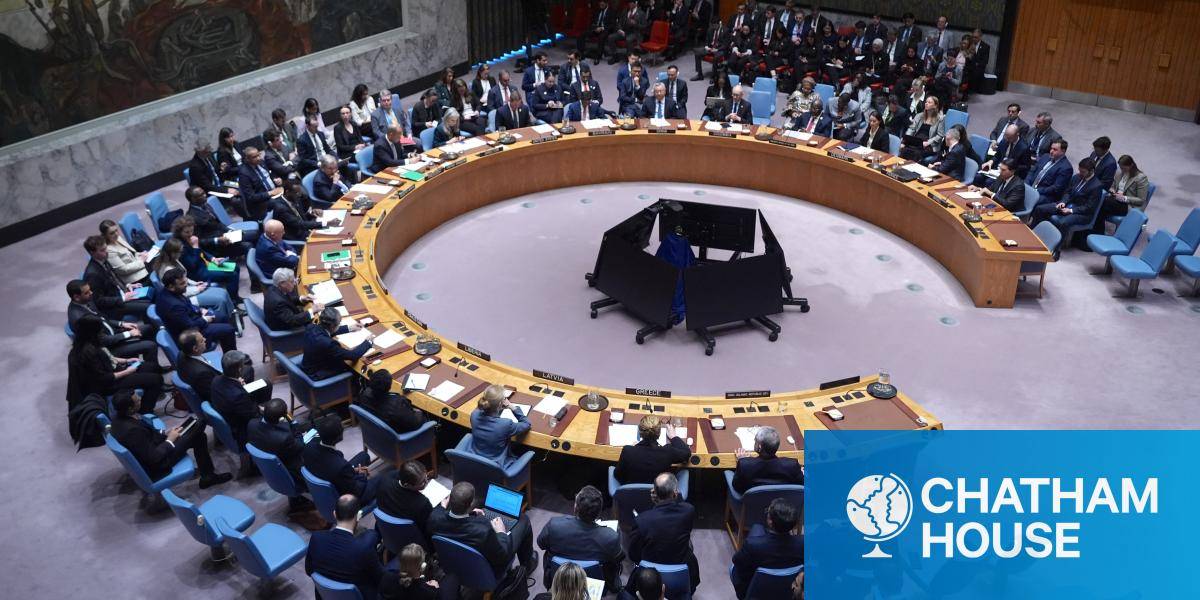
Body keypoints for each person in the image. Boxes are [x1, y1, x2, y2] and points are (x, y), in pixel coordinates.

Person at [109, 389, 231, 487]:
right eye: (137, 400)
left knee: (198, 435)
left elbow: (146, 436)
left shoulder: (119, 418)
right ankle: (208, 476)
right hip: (159, 463)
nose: (140, 399)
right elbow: (154, 457)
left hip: (155, 445)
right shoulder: (132, 431)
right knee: (199, 424)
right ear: (130, 408)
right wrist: (169, 440)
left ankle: (208, 476)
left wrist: (165, 433)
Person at [427, 481, 538, 578]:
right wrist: (501, 532)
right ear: (470, 504)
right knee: (524, 520)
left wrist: (470, 513)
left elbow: (453, 522)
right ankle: (527, 565)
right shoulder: (483, 530)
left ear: (449, 499)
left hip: (452, 564)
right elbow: (502, 556)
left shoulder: (434, 517)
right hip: (486, 572)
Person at [66, 317, 165, 412]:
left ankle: (146, 396)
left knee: (153, 367)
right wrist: (128, 371)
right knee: (156, 380)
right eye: (100, 331)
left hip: (113, 370)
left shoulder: (86, 343)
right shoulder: (88, 352)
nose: (102, 333)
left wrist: (126, 361)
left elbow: (108, 357)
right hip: (107, 385)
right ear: (93, 332)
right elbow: (105, 378)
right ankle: (145, 411)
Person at [537, 485, 624, 590]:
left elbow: (540, 544)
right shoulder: (610, 537)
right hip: (591, 581)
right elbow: (619, 557)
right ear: (599, 512)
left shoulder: (554, 525)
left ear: (575, 507)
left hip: (559, 576)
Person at [247, 398, 321, 520]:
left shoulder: (252, 424)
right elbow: (300, 443)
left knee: (306, 426)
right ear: (281, 418)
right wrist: (292, 422)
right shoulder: (284, 438)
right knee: (315, 439)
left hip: (272, 459)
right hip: (291, 467)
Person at [628, 473, 698, 593]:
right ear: (675, 493)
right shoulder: (688, 511)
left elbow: (633, 555)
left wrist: (657, 503)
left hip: (650, 577)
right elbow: (679, 506)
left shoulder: (642, 520)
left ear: (654, 493)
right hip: (681, 569)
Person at [304, 494, 385, 599]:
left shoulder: (316, 538)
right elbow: (381, 580)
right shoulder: (363, 549)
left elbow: (309, 570)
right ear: (358, 516)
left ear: (334, 514)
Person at [66, 280, 159, 366]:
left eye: (90, 290)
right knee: (150, 346)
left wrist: (121, 324)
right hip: (109, 348)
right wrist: (128, 334)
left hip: (112, 333)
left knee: (148, 328)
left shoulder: (86, 301)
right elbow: (103, 341)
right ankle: (149, 371)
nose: (91, 293)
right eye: (87, 293)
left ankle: (149, 367)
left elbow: (103, 319)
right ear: (76, 297)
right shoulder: (80, 319)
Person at [730, 498, 804, 599]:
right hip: (787, 590)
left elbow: (736, 561)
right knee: (757, 528)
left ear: (770, 521)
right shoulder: (803, 544)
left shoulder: (752, 545)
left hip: (751, 591)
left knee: (757, 528)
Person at [303, 414, 384, 504]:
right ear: (339, 437)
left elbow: (334, 470)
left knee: (364, 456)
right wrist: (362, 475)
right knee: (384, 477)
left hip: (330, 477)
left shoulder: (308, 447)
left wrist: (352, 470)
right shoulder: (340, 466)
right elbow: (358, 490)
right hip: (348, 496)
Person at [169, 216, 244, 307]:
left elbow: (202, 251)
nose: (190, 234)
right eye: (187, 232)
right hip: (196, 273)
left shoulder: (189, 238)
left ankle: (235, 296)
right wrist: (195, 247)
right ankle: (233, 302)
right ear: (179, 232)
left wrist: (213, 259)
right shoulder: (179, 245)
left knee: (236, 267)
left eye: (191, 231)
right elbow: (192, 265)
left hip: (204, 265)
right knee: (232, 275)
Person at [157, 268, 238, 352]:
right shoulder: (174, 306)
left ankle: (226, 344)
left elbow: (187, 304)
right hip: (190, 335)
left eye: (185, 281)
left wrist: (200, 310)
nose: (186, 285)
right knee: (229, 330)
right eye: (182, 283)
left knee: (222, 317)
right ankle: (232, 361)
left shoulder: (170, 291)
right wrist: (205, 320)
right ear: (171, 286)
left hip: (192, 318)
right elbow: (190, 327)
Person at [1030, 157, 1103, 239]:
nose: (1080, 173)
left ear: (1091, 171)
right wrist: (1063, 202)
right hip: (1067, 204)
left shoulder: (1097, 186)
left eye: (1083, 172)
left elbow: (1089, 207)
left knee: (1063, 222)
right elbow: (1067, 192)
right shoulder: (1077, 177)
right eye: (1079, 170)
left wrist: (1071, 210)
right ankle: (1035, 234)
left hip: (1082, 213)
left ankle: (1056, 246)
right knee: (1040, 209)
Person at [211, 349, 272, 444]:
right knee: (276, 411)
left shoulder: (216, 379)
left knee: (265, 383)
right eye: (243, 365)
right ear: (239, 369)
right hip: (241, 425)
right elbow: (252, 414)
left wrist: (239, 384)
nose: (244, 366)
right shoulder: (238, 396)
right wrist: (261, 409)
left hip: (232, 405)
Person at [83, 235, 151, 320]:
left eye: (106, 248)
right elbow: (99, 301)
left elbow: (114, 278)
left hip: (121, 293)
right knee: (149, 306)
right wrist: (123, 298)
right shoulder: (92, 275)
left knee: (150, 293)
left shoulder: (103, 260)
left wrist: (127, 285)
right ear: (92, 253)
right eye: (102, 250)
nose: (107, 251)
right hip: (114, 306)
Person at [614, 416, 690, 485]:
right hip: (660, 492)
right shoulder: (667, 452)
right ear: (659, 434)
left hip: (630, 494)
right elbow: (686, 453)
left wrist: (635, 447)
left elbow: (618, 475)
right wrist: (674, 437)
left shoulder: (628, 451)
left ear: (640, 433)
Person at [302, 306, 372, 380]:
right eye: (339, 323)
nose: (339, 325)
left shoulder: (311, 327)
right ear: (332, 326)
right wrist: (368, 342)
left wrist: (349, 328)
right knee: (352, 367)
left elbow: (325, 331)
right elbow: (353, 356)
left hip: (308, 365)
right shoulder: (329, 344)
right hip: (317, 373)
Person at [375, 460, 436, 544]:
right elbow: (428, 529)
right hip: (414, 541)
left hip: (387, 532)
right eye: (422, 482)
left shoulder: (384, 480)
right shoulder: (422, 504)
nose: (427, 482)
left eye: (426, 477)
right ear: (407, 485)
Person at [184, 185, 254, 257]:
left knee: (254, 234)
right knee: (248, 245)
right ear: (193, 199)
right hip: (216, 246)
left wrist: (230, 231)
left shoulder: (205, 205)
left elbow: (218, 224)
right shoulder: (191, 218)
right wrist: (217, 240)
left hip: (226, 236)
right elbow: (198, 241)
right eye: (200, 195)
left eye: (204, 193)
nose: (205, 195)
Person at [469, 384, 530, 467]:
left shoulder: (474, 415)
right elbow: (526, 424)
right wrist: (512, 407)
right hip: (495, 466)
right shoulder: (505, 424)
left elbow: (480, 409)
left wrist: (498, 406)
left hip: (474, 460)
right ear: (501, 403)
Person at [731, 426, 804, 493]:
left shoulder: (745, 464)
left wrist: (742, 460)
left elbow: (737, 487)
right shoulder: (792, 465)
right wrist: (801, 473)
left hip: (753, 503)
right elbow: (801, 484)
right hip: (782, 502)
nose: (754, 441)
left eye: (755, 440)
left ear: (759, 447)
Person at [359, 369, 425, 434]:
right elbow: (414, 423)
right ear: (390, 386)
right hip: (397, 435)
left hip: (375, 432)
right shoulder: (397, 405)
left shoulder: (365, 393)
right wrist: (420, 413)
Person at [98, 219, 150, 287]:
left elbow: (131, 252)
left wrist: (140, 254)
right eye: (112, 233)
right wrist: (141, 261)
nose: (116, 234)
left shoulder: (118, 239)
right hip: (135, 278)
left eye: (116, 230)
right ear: (105, 235)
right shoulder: (108, 250)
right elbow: (123, 270)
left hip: (139, 266)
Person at [1102, 154, 1151, 223]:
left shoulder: (1141, 178)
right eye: (1121, 168)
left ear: (1131, 165)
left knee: (1102, 204)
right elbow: (1113, 186)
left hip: (1128, 205)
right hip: (1115, 199)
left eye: (1124, 168)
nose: (1122, 170)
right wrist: (1112, 190)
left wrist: (1124, 198)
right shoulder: (1119, 172)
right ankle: (1097, 229)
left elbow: (1141, 200)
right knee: (1100, 203)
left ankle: (1096, 229)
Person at [1025, 139, 1073, 208]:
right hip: (1031, 187)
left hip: (1046, 195)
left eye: (1055, 149)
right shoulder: (1045, 156)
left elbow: (1055, 188)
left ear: (1063, 151)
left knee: (1028, 200)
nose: (1051, 151)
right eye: (1051, 148)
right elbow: (1032, 171)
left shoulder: (1066, 168)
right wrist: (1026, 184)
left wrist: (1036, 190)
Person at [236, 146, 280, 221]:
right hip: (261, 203)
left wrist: (276, 179)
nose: (258, 158)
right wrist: (270, 193)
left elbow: (269, 175)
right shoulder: (244, 174)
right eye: (254, 157)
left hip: (274, 193)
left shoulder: (261, 162)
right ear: (247, 159)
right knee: (280, 205)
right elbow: (251, 197)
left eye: (258, 155)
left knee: (292, 191)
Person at [903, 95, 946, 160]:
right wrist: (906, 139)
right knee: (904, 150)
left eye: (929, 102)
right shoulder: (919, 115)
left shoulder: (940, 119)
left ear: (935, 106)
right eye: (926, 102)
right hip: (917, 141)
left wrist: (928, 142)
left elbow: (940, 136)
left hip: (929, 145)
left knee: (916, 153)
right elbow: (911, 129)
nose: (926, 103)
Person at [693, 12, 728, 81]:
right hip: (711, 48)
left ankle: (714, 76)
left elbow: (726, 45)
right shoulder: (710, 29)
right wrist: (706, 47)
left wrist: (717, 50)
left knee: (716, 57)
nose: (713, 27)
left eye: (715, 26)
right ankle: (699, 74)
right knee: (697, 53)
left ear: (719, 23)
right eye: (712, 26)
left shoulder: (725, 30)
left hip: (720, 50)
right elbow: (707, 41)